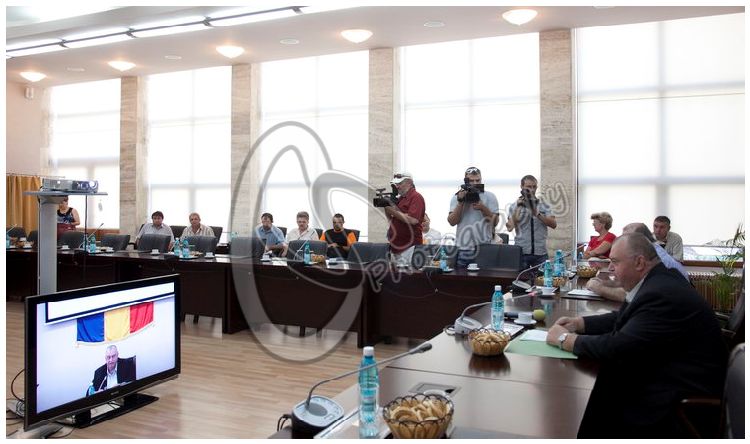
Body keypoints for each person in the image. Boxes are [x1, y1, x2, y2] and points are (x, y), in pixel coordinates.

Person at [546, 233, 727, 437]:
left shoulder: (661, 294)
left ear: (639, 262)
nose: (610, 268)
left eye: (615, 262)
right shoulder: (658, 280)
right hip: (668, 374)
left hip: (677, 399)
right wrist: (580, 323)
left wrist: (566, 340)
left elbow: (619, 348)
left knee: (590, 405)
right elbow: (625, 318)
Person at [586, 222, 690, 302]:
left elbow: (635, 296)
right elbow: (636, 286)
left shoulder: (653, 257)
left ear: (640, 240)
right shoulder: (651, 249)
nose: (622, 242)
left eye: (627, 239)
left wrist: (600, 288)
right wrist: (607, 283)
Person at [448, 167, 499, 267]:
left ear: (481, 179)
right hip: (463, 248)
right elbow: (452, 222)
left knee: (485, 276)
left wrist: (483, 208)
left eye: (477, 180)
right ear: (465, 181)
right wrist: (460, 203)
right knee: (461, 276)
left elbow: (495, 222)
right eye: (471, 181)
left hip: (484, 247)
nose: (475, 183)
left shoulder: (490, 196)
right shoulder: (457, 197)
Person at [506, 174, 556, 269]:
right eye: (528, 187)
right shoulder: (514, 206)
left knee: (543, 278)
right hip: (522, 252)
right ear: (522, 187)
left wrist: (537, 214)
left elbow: (553, 224)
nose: (532, 190)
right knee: (521, 278)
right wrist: (518, 207)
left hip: (540, 253)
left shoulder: (544, 205)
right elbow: (509, 227)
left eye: (534, 187)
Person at [383, 172, 425, 264]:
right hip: (397, 246)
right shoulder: (401, 198)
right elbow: (393, 219)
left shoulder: (416, 197)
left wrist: (392, 211)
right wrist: (387, 208)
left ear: (409, 183)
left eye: (400, 183)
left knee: (409, 272)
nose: (397, 186)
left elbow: (413, 220)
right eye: (396, 184)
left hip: (409, 247)